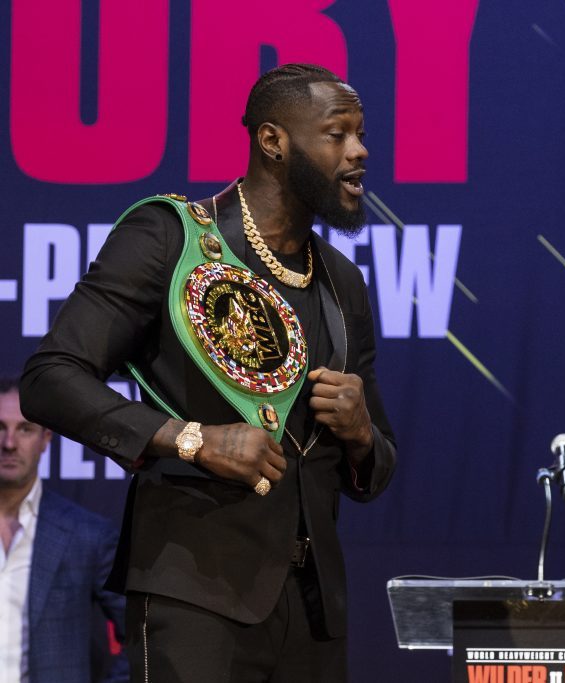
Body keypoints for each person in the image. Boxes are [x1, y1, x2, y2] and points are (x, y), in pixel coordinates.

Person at [20, 63, 396, 681]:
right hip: (194, 596)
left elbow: (375, 469)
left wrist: (360, 433)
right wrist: (192, 439)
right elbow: (50, 377)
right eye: (338, 134)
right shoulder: (170, 240)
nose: (360, 151)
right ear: (273, 141)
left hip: (314, 612)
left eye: (360, 134)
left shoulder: (342, 281)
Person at [0, 377, 128, 682]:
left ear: (45, 439)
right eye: (0, 428)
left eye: (25, 429)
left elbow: (140, 635)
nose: (9, 443)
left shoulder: (87, 535)